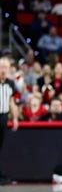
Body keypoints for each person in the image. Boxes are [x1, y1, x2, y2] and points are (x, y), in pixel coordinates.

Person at [0, 56, 22, 184]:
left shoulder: (10, 83)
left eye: (6, 67)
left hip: (3, 117)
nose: (3, 70)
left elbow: (11, 102)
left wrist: (15, 118)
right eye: (1, 67)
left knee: (1, 146)